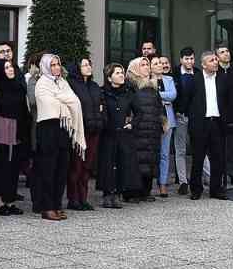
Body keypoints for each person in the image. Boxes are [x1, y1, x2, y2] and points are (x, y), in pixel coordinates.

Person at [32, 53, 85, 221]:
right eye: (52, 65)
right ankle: (46, 207)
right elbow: (50, 104)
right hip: (48, 128)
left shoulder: (63, 82)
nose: (56, 68)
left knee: (62, 169)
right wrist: (65, 101)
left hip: (64, 129)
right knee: (48, 169)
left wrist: (63, 100)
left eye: (57, 64)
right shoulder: (42, 83)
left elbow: (76, 102)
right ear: (46, 66)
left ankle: (57, 204)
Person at [187, 51, 227, 200]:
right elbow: (187, 100)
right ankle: (196, 189)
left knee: (218, 157)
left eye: (216, 60)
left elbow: (227, 100)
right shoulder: (195, 79)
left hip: (217, 122)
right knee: (198, 157)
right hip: (200, 123)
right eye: (211, 60)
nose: (215, 62)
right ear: (203, 64)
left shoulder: (223, 78)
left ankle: (216, 189)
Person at [0, 57, 28, 215]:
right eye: (6, 68)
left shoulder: (19, 86)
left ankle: (11, 201)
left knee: (14, 166)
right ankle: (0, 203)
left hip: (18, 129)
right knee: (2, 165)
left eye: (11, 67)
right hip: (3, 128)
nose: (10, 70)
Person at [66, 59, 103, 211]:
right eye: (85, 65)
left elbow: (101, 104)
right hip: (79, 130)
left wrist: (101, 120)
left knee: (87, 166)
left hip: (94, 130)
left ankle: (83, 198)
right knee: (76, 165)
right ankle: (73, 198)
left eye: (90, 64)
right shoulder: (72, 85)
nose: (89, 67)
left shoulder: (94, 86)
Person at [125, 58, 164, 200]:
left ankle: (145, 191)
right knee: (137, 160)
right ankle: (132, 192)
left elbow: (159, 107)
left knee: (150, 159)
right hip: (137, 128)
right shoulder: (130, 85)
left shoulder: (153, 85)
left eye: (147, 64)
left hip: (152, 128)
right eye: (143, 65)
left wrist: (162, 122)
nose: (147, 67)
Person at [98, 64, 134, 208]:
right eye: (118, 73)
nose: (121, 75)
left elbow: (139, 111)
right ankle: (107, 193)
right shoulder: (102, 93)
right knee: (107, 163)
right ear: (109, 77)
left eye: (122, 72)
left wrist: (132, 123)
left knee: (121, 163)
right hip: (107, 133)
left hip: (122, 133)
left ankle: (118, 193)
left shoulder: (128, 93)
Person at [216, 46, 233, 187]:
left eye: (227, 51)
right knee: (219, 147)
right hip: (218, 116)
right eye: (222, 52)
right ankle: (220, 177)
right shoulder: (215, 72)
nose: (226, 54)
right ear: (217, 56)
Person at [172, 48, 196, 195]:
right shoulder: (174, 74)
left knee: (200, 148)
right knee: (180, 149)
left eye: (192, 59)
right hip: (180, 116)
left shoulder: (198, 74)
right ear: (181, 60)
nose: (189, 62)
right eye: (186, 59)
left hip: (195, 117)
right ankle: (183, 182)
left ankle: (208, 177)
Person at [154, 56, 176, 197]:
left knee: (164, 153)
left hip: (168, 120)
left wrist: (157, 95)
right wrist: (163, 98)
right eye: (158, 63)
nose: (161, 65)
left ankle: (163, 183)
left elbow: (173, 95)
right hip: (152, 120)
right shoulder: (148, 79)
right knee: (151, 153)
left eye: (163, 63)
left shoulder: (169, 80)